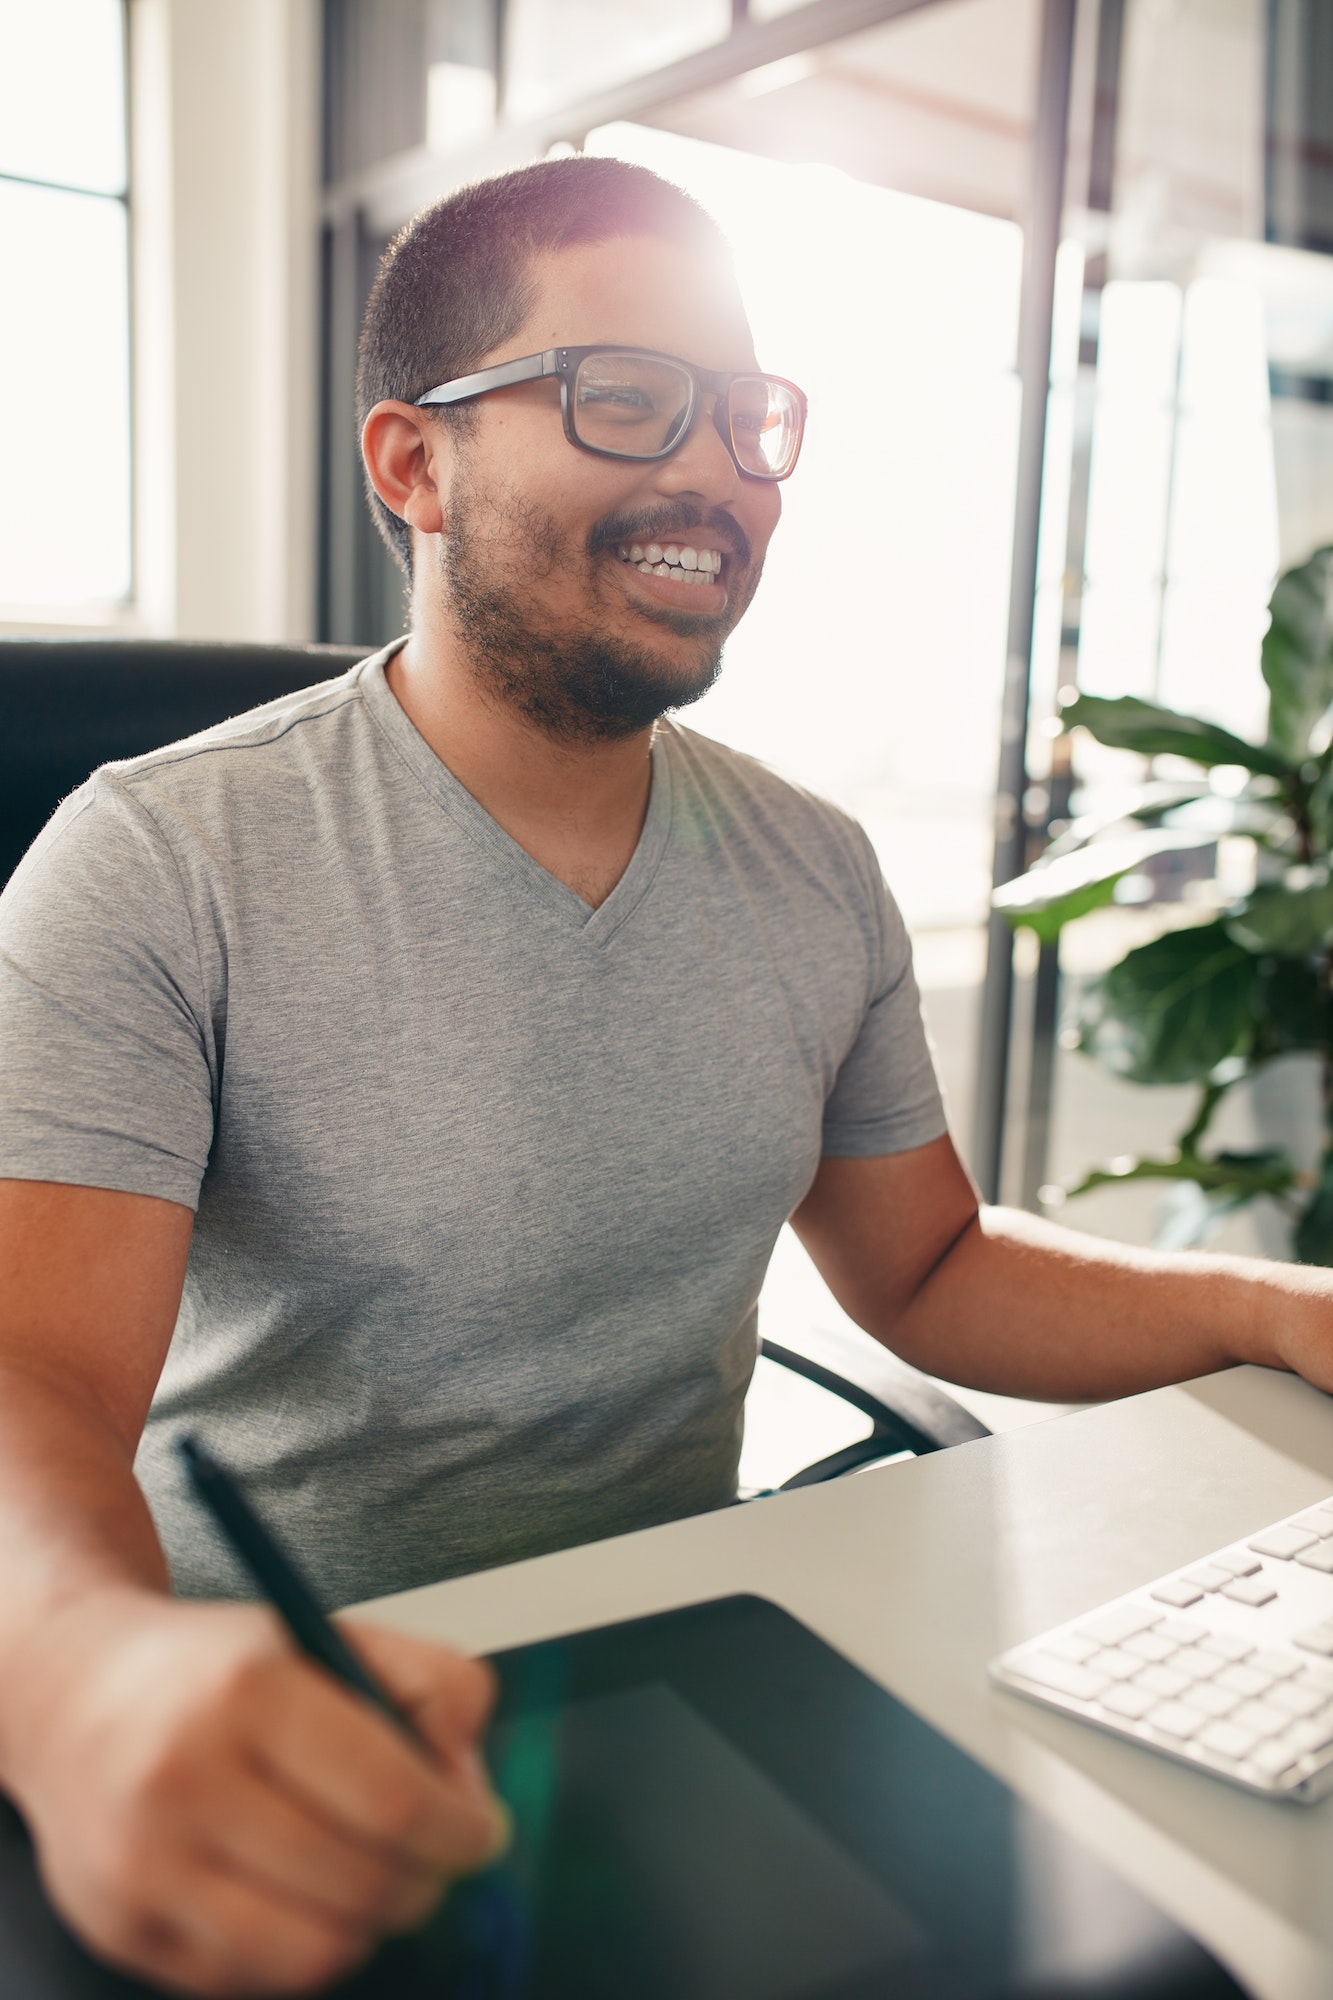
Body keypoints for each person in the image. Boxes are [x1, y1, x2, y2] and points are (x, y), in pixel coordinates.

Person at [0, 153, 1331, 1997]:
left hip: (694, 1662)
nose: (711, 468)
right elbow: (33, 1382)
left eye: (747, 418)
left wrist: (1268, 1305)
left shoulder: (812, 867)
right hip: (295, 1726)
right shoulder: (156, 859)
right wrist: (82, 1680)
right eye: (622, 396)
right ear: (413, 464)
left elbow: (930, 1269)